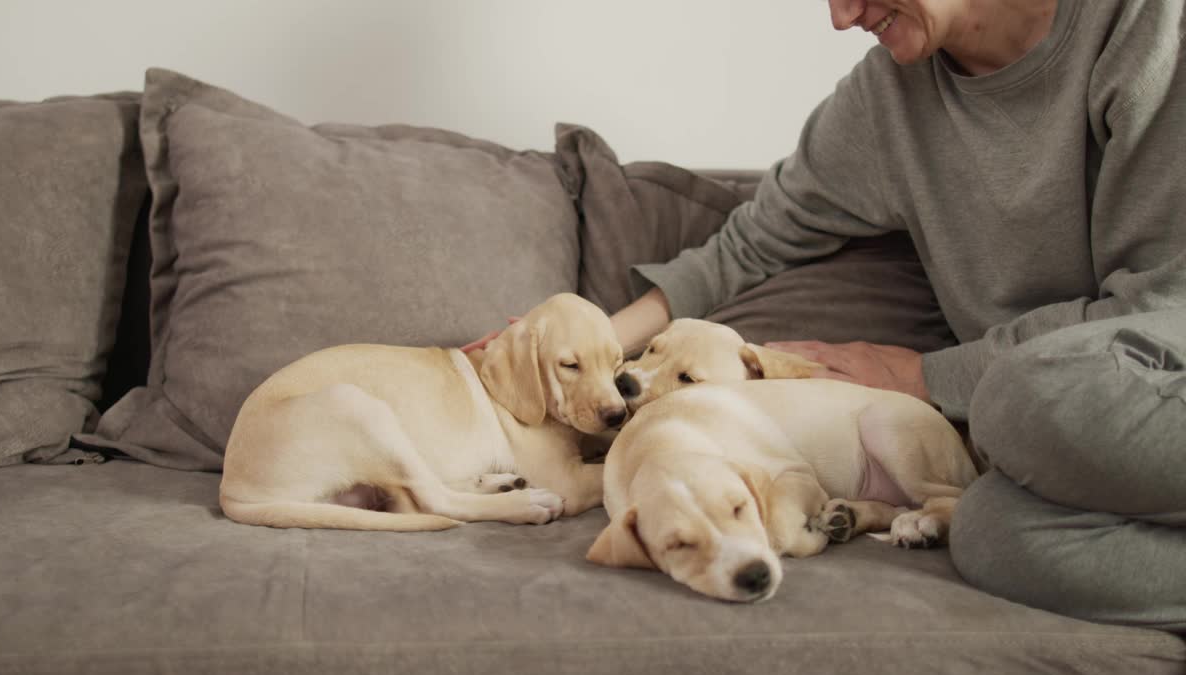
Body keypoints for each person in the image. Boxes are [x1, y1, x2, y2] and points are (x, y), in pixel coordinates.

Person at [474, 0, 1186, 631]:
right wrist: (594, 343)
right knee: (989, 534)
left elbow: (1161, 305)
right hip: (1042, 429)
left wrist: (924, 374)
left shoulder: (1145, 27)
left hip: (1144, 380)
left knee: (1015, 398)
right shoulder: (889, 99)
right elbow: (751, 242)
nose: (841, 18)